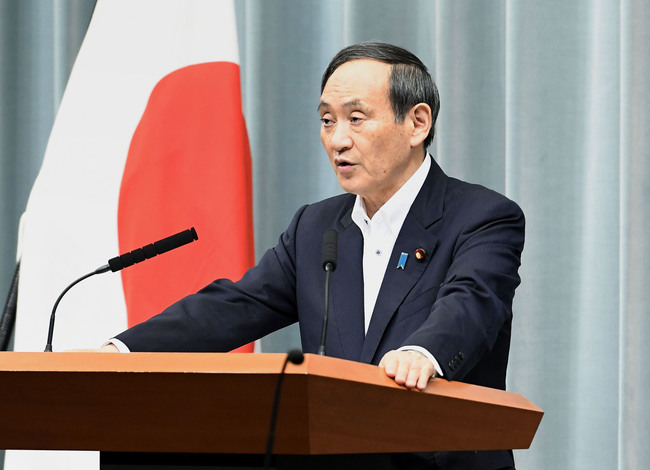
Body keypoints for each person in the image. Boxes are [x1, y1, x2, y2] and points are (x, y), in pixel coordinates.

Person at [101, 42, 525, 470]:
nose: (338, 139)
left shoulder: (482, 217)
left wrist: (423, 353)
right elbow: (236, 305)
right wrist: (122, 351)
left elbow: (471, 302)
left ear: (416, 123)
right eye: (327, 120)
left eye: (356, 119)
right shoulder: (316, 228)